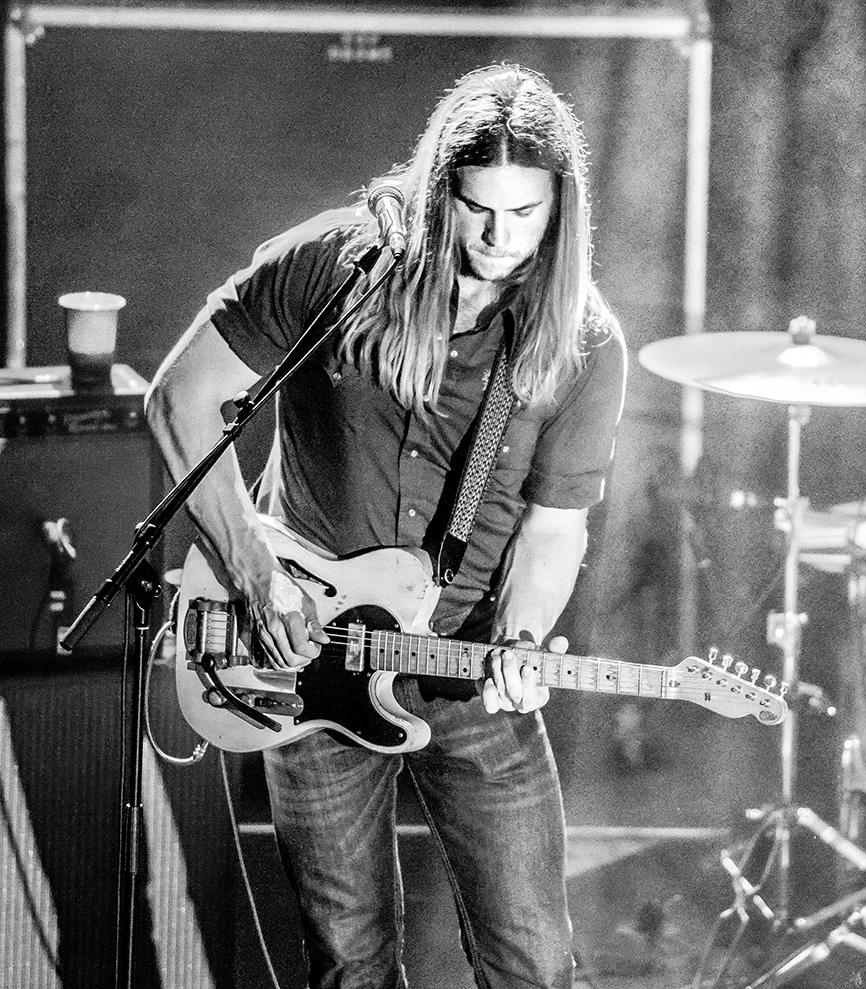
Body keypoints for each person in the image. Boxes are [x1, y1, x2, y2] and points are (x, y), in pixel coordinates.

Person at [146, 64, 626, 988]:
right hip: (300, 651)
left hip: (466, 665)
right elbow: (180, 401)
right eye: (477, 209)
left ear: (562, 209)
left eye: (526, 213)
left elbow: (554, 528)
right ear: (437, 190)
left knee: (534, 960)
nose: (500, 238)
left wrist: (524, 637)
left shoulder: (584, 342)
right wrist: (253, 574)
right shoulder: (338, 267)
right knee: (348, 961)